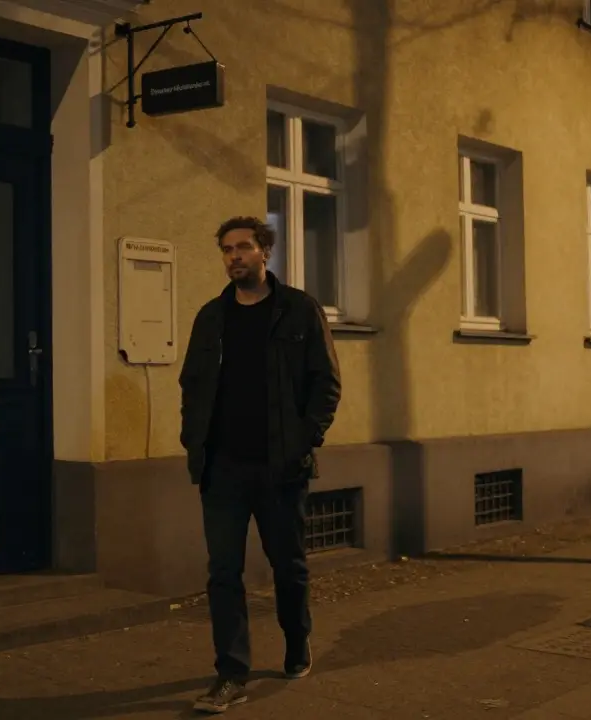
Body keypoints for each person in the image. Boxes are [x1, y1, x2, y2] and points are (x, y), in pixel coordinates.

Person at [179, 216, 342, 713]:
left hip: (280, 468)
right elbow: (192, 384)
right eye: (226, 249)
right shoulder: (211, 316)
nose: (234, 257)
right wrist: (194, 442)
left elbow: (326, 383)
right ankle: (231, 673)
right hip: (222, 469)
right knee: (223, 572)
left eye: (244, 247)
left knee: (288, 567)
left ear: (265, 251)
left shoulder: (299, 311)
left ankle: (297, 639)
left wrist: (304, 441)